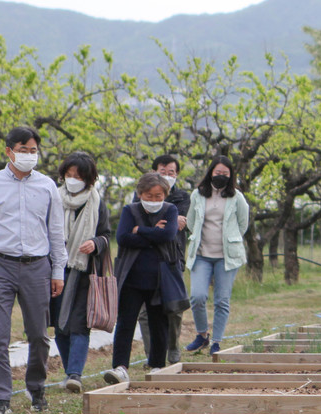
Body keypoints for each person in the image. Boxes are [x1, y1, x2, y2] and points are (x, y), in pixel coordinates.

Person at [0, 126, 66, 414]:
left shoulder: (47, 186)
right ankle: (1, 398)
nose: (29, 155)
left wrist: (58, 270)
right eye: (23, 150)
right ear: (9, 151)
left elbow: (56, 232)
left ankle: (37, 389)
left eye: (33, 150)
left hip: (37, 267)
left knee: (38, 334)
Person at [107, 172, 186, 383]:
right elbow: (123, 238)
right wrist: (153, 234)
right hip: (132, 278)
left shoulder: (170, 210)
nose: (153, 200)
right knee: (126, 323)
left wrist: (140, 230)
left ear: (165, 195)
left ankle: (157, 364)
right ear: (140, 193)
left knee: (158, 323)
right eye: (149, 196)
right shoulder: (129, 210)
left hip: (160, 278)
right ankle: (120, 367)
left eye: (158, 196)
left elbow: (168, 235)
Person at [50, 152, 111, 393]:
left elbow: (106, 234)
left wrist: (95, 243)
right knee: (59, 325)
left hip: (83, 272)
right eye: (69, 175)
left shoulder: (96, 201)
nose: (73, 179)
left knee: (78, 324)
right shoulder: (53, 197)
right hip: (54, 269)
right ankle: (69, 372)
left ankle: (74, 373)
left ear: (89, 179)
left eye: (79, 176)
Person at [182, 157, 251, 354]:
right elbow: (191, 221)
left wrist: (231, 239)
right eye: (218, 173)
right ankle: (202, 336)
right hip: (202, 254)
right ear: (211, 172)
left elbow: (242, 224)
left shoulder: (236, 197)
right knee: (197, 296)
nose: (221, 177)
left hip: (226, 257)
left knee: (222, 300)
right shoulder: (198, 194)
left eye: (225, 174)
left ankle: (216, 342)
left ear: (230, 177)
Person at [137, 154, 190, 366]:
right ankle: (153, 356)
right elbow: (136, 221)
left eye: (171, 173)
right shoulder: (140, 194)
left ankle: (174, 347)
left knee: (174, 307)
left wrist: (150, 226)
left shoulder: (182, 197)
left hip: (171, 257)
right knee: (145, 313)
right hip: (145, 258)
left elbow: (177, 225)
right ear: (153, 172)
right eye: (162, 172)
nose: (167, 176)